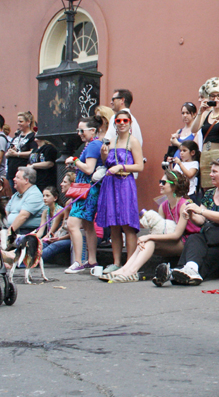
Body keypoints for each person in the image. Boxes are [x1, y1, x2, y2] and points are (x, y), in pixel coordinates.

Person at [154, 158, 219, 286]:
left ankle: (174, 273)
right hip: (207, 235)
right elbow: (200, 220)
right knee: (194, 239)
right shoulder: (209, 193)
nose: (210, 174)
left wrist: (200, 212)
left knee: (205, 250)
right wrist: (191, 214)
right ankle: (188, 270)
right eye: (211, 171)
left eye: (214, 172)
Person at [104, 171, 198, 283]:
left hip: (186, 242)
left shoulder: (184, 205)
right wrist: (149, 237)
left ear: (173, 186)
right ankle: (125, 269)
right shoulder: (163, 206)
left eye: (163, 182)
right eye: (160, 182)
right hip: (172, 241)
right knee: (147, 242)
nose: (160, 184)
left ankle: (131, 271)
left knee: (149, 240)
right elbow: (159, 230)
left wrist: (149, 237)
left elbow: (177, 235)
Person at [95, 108, 145, 274]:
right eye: (118, 121)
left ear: (130, 123)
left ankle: (130, 264)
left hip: (125, 183)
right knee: (114, 224)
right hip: (110, 184)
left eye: (125, 121)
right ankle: (116, 262)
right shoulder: (111, 141)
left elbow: (140, 166)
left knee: (127, 224)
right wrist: (103, 156)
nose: (122, 123)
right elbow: (107, 163)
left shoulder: (133, 141)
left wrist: (121, 166)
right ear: (114, 124)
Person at [63, 115, 105, 274]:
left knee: (72, 224)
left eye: (82, 130)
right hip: (89, 189)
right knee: (88, 225)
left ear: (93, 130)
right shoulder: (93, 144)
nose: (79, 133)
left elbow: (89, 169)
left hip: (86, 190)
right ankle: (91, 260)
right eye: (78, 130)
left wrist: (74, 160)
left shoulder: (93, 145)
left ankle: (78, 261)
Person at [191, 77, 219, 189]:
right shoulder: (206, 114)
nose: (215, 99)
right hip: (205, 155)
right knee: (206, 186)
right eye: (212, 96)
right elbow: (193, 129)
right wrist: (200, 112)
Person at [5, 111, 37, 192]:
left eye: (21, 121)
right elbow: (9, 150)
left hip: (22, 172)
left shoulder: (32, 136)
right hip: (11, 171)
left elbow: (33, 152)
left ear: (28, 122)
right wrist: (9, 153)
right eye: (18, 121)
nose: (18, 123)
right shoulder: (17, 136)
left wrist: (17, 154)